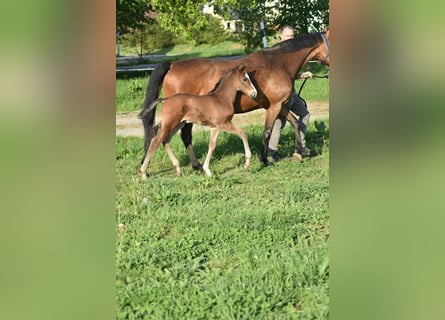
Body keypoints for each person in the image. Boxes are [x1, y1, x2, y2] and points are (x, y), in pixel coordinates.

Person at [268, 25, 317, 161]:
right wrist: (301, 76)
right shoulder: (278, 53)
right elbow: (281, 75)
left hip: (292, 93)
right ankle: (271, 153)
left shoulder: (292, 53)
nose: (291, 38)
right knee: (279, 121)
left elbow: (291, 72)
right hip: (281, 94)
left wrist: (302, 74)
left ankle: (300, 147)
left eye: (292, 36)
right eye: (288, 36)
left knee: (305, 114)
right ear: (281, 37)